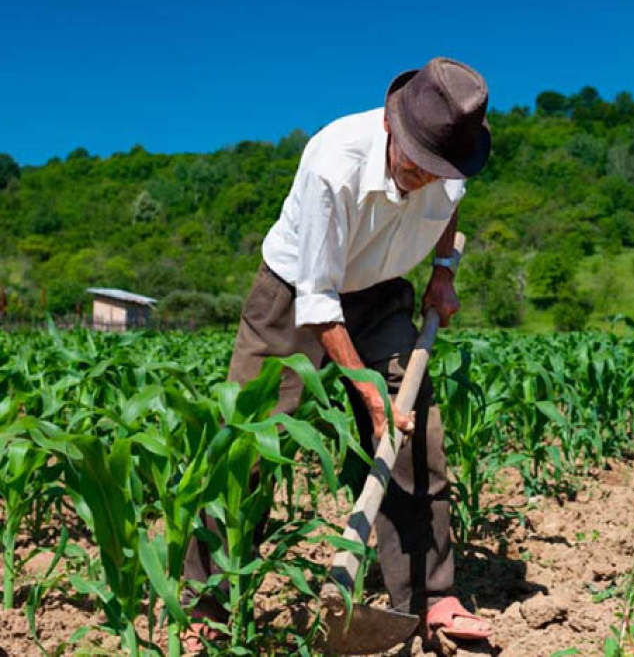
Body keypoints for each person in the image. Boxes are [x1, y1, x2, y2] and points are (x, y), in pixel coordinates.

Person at [182, 57, 492, 651]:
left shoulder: (454, 160)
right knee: (249, 441)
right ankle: (205, 601)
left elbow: (450, 209)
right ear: (390, 126)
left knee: (414, 436)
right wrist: (366, 391)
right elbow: (318, 302)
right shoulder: (333, 163)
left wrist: (445, 271)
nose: (424, 178)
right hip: (296, 292)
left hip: (383, 292)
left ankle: (431, 598)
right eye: (415, 164)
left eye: (438, 169)